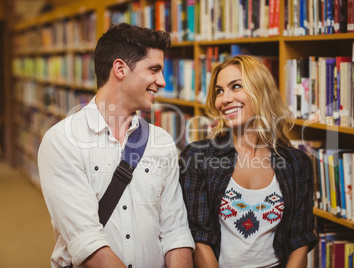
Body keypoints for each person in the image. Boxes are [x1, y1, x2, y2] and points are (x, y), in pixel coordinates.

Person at [38, 23, 195, 268]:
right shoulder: (62, 141)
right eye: (154, 69)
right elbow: (88, 244)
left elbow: (175, 231)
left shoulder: (162, 142)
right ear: (120, 69)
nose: (162, 81)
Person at [179, 55, 318, 268]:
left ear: (261, 91)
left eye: (236, 86)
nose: (224, 99)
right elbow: (199, 237)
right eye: (219, 91)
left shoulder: (297, 163)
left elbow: (300, 239)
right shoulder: (197, 157)